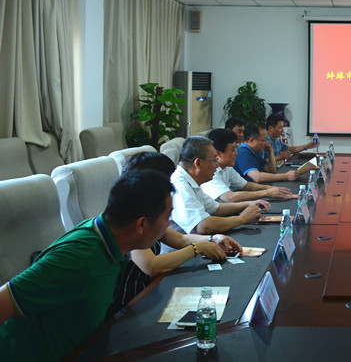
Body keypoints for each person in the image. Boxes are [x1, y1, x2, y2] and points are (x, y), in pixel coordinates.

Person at [0, 170, 174, 361]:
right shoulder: (78, 259)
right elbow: (4, 302)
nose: (168, 225)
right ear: (141, 224)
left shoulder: (109, 240)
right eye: (167, 217)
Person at [108, 152, 243, 317]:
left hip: (150, 295)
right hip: (128, 308)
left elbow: (180, 238)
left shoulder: (149, 211)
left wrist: (213, 239)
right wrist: (196, 248)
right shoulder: (128, 219)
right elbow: (151, 266)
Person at [170, 136, 269, 234]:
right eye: (214, 160)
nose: (217, 165)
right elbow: (204, 226)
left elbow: (217, 208)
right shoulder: (180, 186)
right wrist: (242, 219)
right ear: (198, 163)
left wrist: (250, 204)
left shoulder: (191, 180)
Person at [203, 128, 293, 201]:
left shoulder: (227, 168)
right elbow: (230, 197)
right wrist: (266, 193)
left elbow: (246, 185)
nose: (236, 153)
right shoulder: (209, 172)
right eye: (233, 149)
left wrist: (269, 188)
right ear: (218, 154)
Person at [235, 123, 299, 183]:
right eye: (264, 140)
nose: (266, 143)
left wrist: (270, 151)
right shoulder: (243, 153)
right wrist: (286, 176)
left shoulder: (254, 153)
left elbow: (272, 171)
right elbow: (257, 177)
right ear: (251, 140)